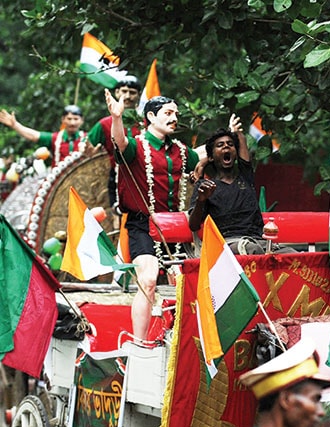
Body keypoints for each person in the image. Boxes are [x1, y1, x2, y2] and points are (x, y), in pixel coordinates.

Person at [106, 90, 199, 341]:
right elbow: (120, 143)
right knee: (147, 281)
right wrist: (117, 118)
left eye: (176, 114)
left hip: (177, 227)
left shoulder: (181, 150)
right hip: (142, 224)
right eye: (168, 113)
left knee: (183, 285)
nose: (174, 118)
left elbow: (201, 158)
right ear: (151, 116)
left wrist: (233, 138)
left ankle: (181, 342)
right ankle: (140, 343)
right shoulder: (137, 146)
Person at [188, 115, 266, 255]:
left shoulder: (245, 178)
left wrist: (237, 132)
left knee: (295, 257)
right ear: (211, 157)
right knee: (252, 249)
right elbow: (193, 225)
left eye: (230, 145)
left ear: (235, 153)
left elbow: (243, 151)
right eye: (220, 145)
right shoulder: (204, 186)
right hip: (225, 246)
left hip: (258, 242)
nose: (226, 146)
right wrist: (201, 200)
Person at [86, 76, 143, 210]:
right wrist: (88, 150)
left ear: (139, 95)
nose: (128, 96)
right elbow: (86, 147)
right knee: (118, 217)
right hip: (116, 178)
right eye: (124, 91)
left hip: (144, 176)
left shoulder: (147, 122)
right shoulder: (104, 124)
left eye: (132, 92)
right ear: (116, 92)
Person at [0, 104, 87, 167]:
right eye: (69, 119)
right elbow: (33, 135)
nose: (72, 123)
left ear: (82, 120)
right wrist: (15, 125)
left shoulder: (87, 138)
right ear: (63, 120)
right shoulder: (55, 138)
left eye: (76, 119)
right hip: (58, 182)